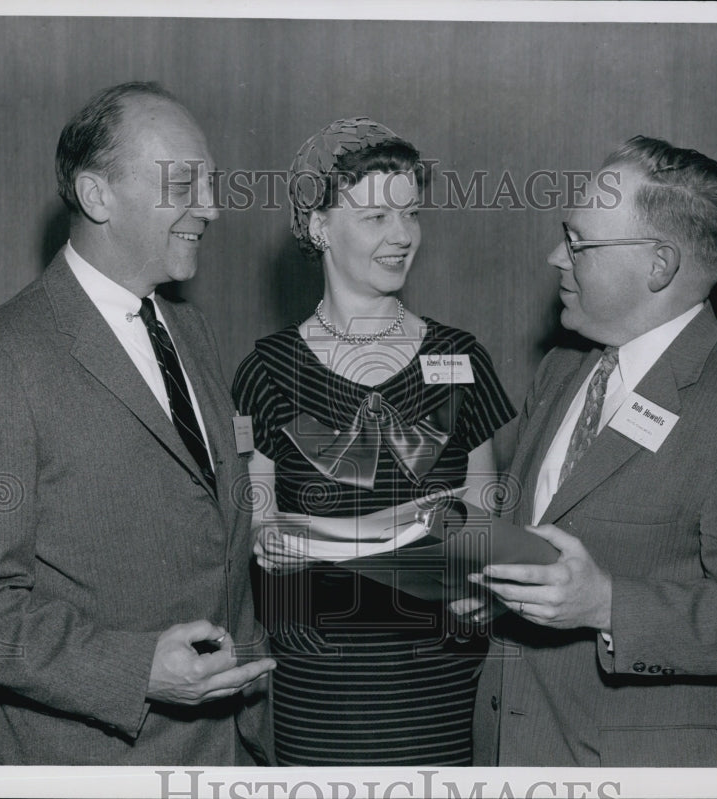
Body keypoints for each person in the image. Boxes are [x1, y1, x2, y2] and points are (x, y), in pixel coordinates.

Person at [0, 82, 274, 765]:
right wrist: (137, 668)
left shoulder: (190, 329)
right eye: (184, 183)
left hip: (229, 752)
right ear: (97, 194)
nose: (213, 207)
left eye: (213, 182)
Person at [468, 136, 717, 767]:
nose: (556, 256)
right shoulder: (562, 369)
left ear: (659, 265)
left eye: (578, 242)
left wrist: (607, 601)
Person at [232, 117, 516, 766]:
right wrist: (279, 542)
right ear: (319, 227)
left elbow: (483, 520)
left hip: (439, 683)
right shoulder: (268, 370)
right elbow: (258, 525)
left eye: (411, 214)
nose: (402, 235)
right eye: (377, 217)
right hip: (317, 685)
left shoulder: (461, 358)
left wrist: (475, 579)